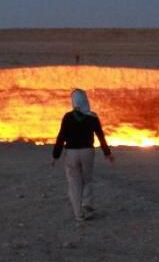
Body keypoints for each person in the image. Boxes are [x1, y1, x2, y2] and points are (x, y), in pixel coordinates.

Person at [51, 89, 115, 221]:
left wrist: (55, 155)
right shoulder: (93, 117)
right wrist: (107, 153)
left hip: (71, 153)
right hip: (87, 152)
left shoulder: (68, 117)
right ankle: (87, 206)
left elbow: (61, 136)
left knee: (74, 182)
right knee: (87, 180)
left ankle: (78, 214)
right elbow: (100, 135)